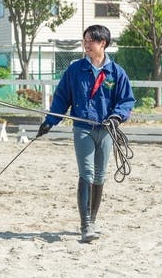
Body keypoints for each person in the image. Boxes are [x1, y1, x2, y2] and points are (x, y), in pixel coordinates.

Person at [36, 24, 135, 242]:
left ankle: (94, 219)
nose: (86, 44)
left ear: (103, 43)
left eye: (91, 40)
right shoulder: (75, 70)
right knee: (87, 174)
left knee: (100, 176)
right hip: (83, 130)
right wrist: (50, 122)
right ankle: (85, 225)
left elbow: (126, 100)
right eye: (85, 40)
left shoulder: (117, 73)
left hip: (107, 131)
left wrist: (117, 116)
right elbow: (62, 98)